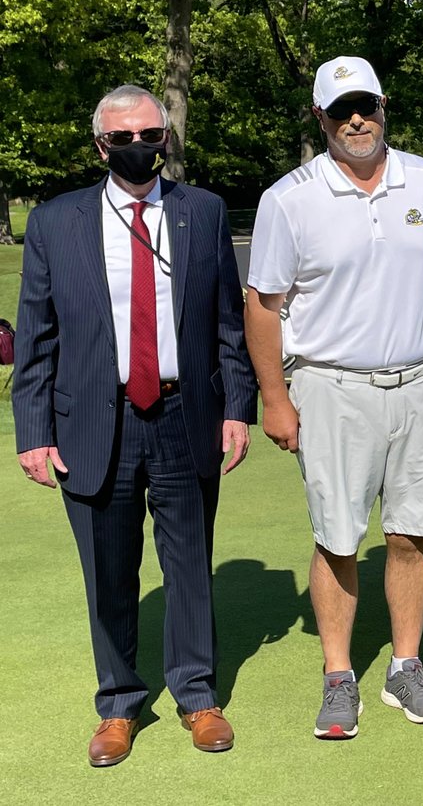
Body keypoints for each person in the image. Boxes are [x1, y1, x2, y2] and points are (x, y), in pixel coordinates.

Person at [12, 85, 257, 766]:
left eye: (149, 134)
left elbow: (226, 325)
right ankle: (118, 702)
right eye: (122, 139)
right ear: (100, 146)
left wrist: (238, 407)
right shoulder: (58, 222)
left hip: (186, 414)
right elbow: (36, 336)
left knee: (188, 564)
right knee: (109, 572)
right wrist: (32, 430)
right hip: (94, 419)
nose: (138, 148)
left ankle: (197, 693)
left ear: (166, 136)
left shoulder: (201, 212)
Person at [244, 56, 423, 737]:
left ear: (383, 103)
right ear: (320, 118)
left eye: (365, 104)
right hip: (331, 385)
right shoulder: (289, 197)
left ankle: (405, 664)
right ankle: (339, 675)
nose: (356, 120)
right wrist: (274, 397)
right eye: (341, 110)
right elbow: (263, 303)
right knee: (337, 536)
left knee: (411, 530)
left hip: (418, 380)